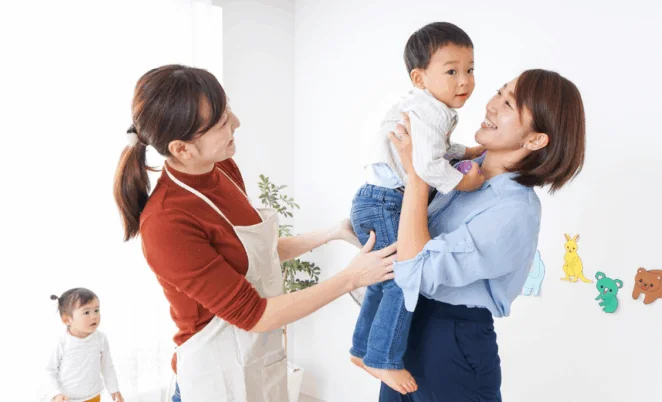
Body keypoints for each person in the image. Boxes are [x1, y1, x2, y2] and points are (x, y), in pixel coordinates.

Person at [112, 65, 396, 402]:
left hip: (258, 361)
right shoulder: (166, 223)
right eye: (221, 123)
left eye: (228, 109)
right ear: (182, 149)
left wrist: (332, 232)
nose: (236, 122)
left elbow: (255, 257)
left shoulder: (222, 168)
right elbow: (254, 314)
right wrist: (351, 278)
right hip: (215, 377)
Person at [381, 69, 586, 401]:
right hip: (404, 328)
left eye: (509, 104)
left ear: (535, 140)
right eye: (499, 93)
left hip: (451, 343)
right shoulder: (458, 172)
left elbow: (416, 272)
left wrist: (418, 176)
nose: (491, 105)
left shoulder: (514, 210)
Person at [348, 21, 485, 395]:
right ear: (419, 77)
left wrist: (464, 151)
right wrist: (464, 181)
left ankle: (362, 348)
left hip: (374, 199)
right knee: (404, 277)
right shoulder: (431, 111)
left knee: (385, 277)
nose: (464, 81)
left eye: (470, 69)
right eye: (452, 71)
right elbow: (424, 165)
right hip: (387, 201)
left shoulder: (425, 106)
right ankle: (383, 358)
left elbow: (434, 150)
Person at [44, 288, 123, 402]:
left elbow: (107, 366)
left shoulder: (100, 338)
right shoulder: (61, 342)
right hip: (66, 399)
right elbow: (49, 371)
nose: (94, 316)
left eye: (96, 310)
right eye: (86, 312)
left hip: (93, 396)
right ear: (67, 320)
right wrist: (56, 393)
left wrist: (114, 389)